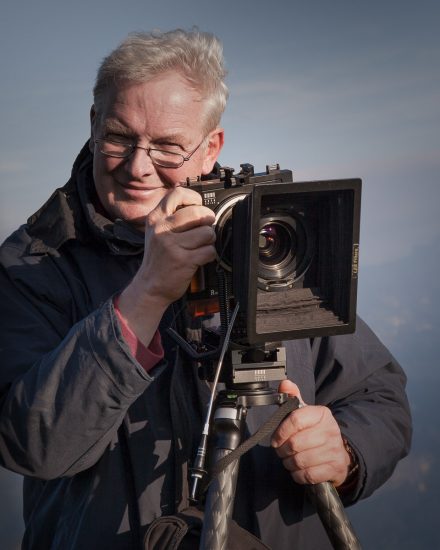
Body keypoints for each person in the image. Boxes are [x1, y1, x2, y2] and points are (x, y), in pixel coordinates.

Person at [0, 29, 411, 550]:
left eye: (168, 147)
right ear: (92, 123)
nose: (138, 165)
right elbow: (35, 444)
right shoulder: (35, 264)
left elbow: (379, 394)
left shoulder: (267, 240)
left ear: (210, 148)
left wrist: (347, 451)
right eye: (119, 137)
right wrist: (146, 293)